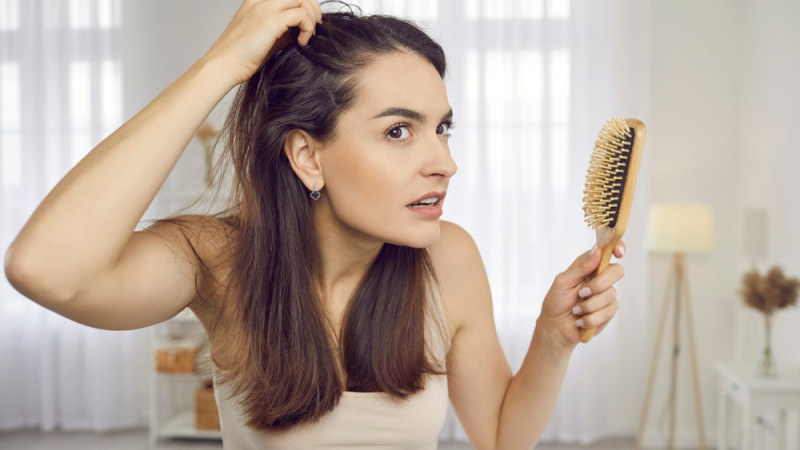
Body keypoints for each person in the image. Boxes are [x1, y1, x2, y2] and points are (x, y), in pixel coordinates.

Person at [4, 1, 625, 448]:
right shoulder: (217, 259)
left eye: (442, 128)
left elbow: (497, 437)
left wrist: (552, 337)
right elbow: (46, 270)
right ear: (308, 156)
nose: (445, 163)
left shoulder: (448, 257)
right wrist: (220, 65)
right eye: (398, 131)